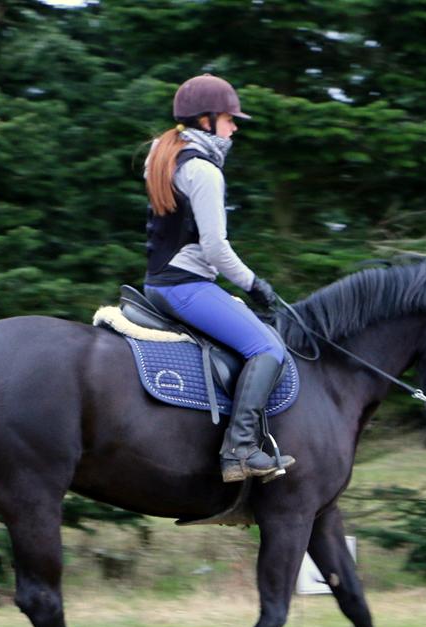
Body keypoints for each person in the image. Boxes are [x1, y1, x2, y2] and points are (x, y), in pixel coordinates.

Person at [143, 74, 295, 483]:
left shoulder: (164, 153)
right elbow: (215, 249)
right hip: (186, 287)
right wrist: (255, 284)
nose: (235, 126)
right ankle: (241, 450)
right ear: (206, 120)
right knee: (267, 347)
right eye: (229, 118)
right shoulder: (204, 171)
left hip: (156, 283)